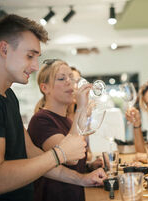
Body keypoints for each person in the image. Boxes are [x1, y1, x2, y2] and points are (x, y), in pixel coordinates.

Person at [0, 14, 100, 201]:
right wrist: (60, 153)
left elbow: (33, 154)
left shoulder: (8, 96)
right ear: (4, 49)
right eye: (29, 56)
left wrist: (82, 179)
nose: (36, 67)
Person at [28, 60, 106, 201]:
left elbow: (72, 165)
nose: (70, 82)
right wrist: (81, 108)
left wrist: (89, 167)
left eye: (72, 78)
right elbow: (71, 158)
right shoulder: (41, 120)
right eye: (62, 78)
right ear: (45, 88)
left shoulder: (68, 121)